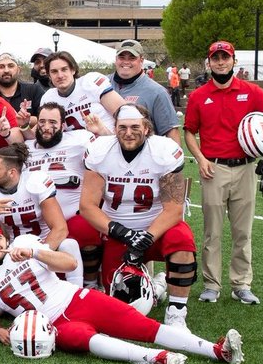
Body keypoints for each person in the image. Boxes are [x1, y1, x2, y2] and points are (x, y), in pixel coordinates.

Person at [0, 222, 243, 364]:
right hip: (52, 326)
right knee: (87, 339)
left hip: (77, 299)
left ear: (5, 239)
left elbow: (69, 264)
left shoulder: (24, 243)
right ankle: (156, 358)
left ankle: (216, 351)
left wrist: (35, 253)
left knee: (144, 326)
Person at [183, 40, 263, 305]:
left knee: (243, 232)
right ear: (209, 62)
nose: (220, 62)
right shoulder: (198, 96)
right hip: (214, 169)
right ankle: (211, 285)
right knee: (212, 232)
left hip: (245, 168)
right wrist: (200, 158)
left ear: (234, 61)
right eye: (215, 58)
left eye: (225, 57)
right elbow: (189, 131)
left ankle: (241, 283)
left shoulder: (250, 91)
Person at [80, 105, 196, 327]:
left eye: (135, 126)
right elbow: (87, 206)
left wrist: (147, 237)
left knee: (182, 238)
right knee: (122, 305)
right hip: (119, 234)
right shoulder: (101, 151)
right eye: (122, 127)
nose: (128, 132)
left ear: (146, 129)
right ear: (114, 128)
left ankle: (177, 311)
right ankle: (157, 287)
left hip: (157, 230)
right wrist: (122, 233)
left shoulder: (162, 151)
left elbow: (174, 209)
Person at [0, 143, 83, 286]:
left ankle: (78, 291)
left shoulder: (35, 183)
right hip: (9, 248)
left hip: (42, 242)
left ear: (12, 172)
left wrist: (36, 253)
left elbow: (60, 228)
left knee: (69, 245)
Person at [24, 102, 103, 286]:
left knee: (86, 228)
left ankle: (90, 283)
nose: (46, 127)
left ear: (63, 125)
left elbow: (112, 151)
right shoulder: (27, 148)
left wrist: (100, 132)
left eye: (53, 122)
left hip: (73, 215)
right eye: (42, 121)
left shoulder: (80, 140)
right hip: (41, 220)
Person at [110, 40, 180, 143]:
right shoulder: (101, 85)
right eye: (122, 57)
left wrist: (174, 158)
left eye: (132, 58)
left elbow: (171, 132)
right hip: (106, 156)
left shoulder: (157, 92)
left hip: (141, 156)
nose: (126, 61)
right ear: (116, 59)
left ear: (141, 60)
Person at [41, 51, 125, 134]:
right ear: (49, 75)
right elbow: (42, 132)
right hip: (76, 146)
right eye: (54, 71)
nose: (60, 75)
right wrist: (27, 126)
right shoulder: (48, 98)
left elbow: (125, 113)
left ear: (73, 70)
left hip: (108, 140)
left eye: (64, 69)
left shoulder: (89, 82)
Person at [0, 52, 45, 123]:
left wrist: (26, 120)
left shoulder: (34, 90)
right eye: (1, 67)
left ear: (18, 70)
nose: (6, 70)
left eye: (11, 66)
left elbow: (46, 119)